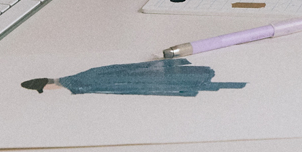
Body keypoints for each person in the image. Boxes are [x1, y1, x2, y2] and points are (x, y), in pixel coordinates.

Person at [21, 59, 246, 97]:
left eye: (42, 89)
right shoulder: (75, 80)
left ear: (46, 84)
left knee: (177, 82)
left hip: (141, 80)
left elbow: (117, 74)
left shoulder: (75, 81)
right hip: (140, 80)